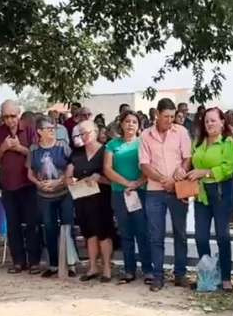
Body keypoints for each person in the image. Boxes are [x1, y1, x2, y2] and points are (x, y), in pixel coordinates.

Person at [139, 98, 193, 291]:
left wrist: (180, 171)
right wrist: (164, 180)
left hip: (178, 189)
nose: (169, 120)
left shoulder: (181, 132)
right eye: (166, 116)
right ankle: (158, 276)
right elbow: (144, 164)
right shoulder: (145, 135)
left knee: (180, 233)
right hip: (154, 191)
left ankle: (180, 274)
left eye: (172, 116)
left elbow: (187, 158)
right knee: (156, 235)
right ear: (157, 115)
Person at [0, 101, 42, 273]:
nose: (10, 120)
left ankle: (34, 261)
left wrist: (19, 148)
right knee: (13, 225)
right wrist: (3, 148)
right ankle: (18, 261)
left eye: (12, 116)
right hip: (8, 186)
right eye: (6, 117)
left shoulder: (29, 129)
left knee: (32, 224)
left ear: (19, 114)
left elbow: (38, 155)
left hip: (28, 184)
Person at [188, 107, 233, 291]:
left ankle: (225, 276)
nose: (209, 124)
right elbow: (191, 164)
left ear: (222, 122)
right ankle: (207, 276)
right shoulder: (198, 143)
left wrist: (206, 172)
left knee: (222, 235)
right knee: (200, 236)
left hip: (222, 192)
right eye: (206, 121)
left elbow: (228, 169)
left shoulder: (229, 144)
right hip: (202, 193)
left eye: (213, 120)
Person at [104, 111, 152, 284]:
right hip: (119, 193)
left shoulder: (143, 144)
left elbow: (150, 167)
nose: (130, 124)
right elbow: (107, 169)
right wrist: (127, 183)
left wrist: (137, 183)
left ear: (139, 125)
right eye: (127, 121)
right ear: (121, 124)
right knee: (125, 233)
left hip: (140, 192)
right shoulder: (112, 145)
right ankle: (129, 270)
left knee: (142, 231)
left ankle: (148, 270)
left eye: (134, 122)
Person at [68, 120, 115, 282]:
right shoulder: (77, 153)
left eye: (87, 132)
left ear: (96, 132)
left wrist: (100, 178)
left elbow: (113, 180)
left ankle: (107, 268)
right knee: (89, 233)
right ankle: (92, 267)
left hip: (102, 199)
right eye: (81, 133)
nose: (84, 136)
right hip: (82, 198)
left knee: (104, 233)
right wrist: (70, 179)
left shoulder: (106, 151)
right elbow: (68, 174)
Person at [28, 115, 75, 277]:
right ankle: (54, 264)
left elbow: (71, 165)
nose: (52, 131)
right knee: (49, 229)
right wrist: (37, 183)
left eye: (53, 129)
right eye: (48, 129)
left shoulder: (63, 145)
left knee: (67, 227)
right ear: (39, 131)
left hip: (64, 193)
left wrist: (60, 181)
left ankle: (71, 264)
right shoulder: (34, 149)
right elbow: (30, 172)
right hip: (44, 195)